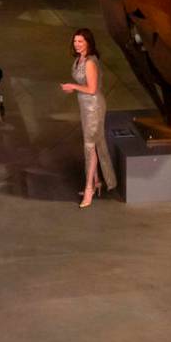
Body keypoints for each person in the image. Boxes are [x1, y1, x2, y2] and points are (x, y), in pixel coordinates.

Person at [60, 28, 116, 208]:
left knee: (89, 146)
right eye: (75, 41)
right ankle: (98, 181)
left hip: (93, 107)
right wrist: (73, 88)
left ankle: (89, 188)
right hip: (85, 106)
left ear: (88, 43)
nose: (77, 44)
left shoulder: (90, 62)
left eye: (80, 42)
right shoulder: (79, 59)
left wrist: (73, 86)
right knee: (93, 143)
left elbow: (92, 89)